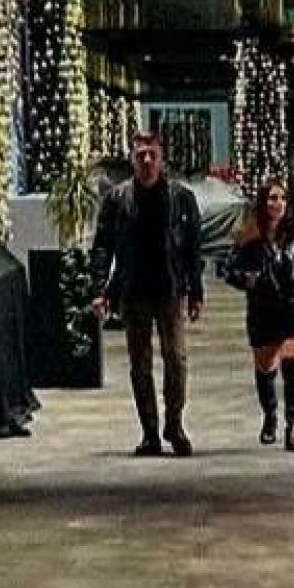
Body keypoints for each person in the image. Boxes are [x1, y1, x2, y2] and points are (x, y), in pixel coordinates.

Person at [89, 130, 207, 456]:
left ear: (160, 156)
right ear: (132, 159)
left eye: (152, 154)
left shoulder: (181, 197)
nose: (147, 160)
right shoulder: (117, 199)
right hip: (133, 290)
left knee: (176, 359)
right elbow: (103, 245)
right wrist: (100, 288)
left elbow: (193, 248)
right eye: (140, 155)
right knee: (139, 364)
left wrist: (196, 291)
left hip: (170, 288)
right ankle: (150, 432)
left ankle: (174, 424)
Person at [225, 174, 294, 450]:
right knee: (266, 367)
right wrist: (250, 279)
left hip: (293, 304)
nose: (277, 204)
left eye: (282, 198)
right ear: (262, 202)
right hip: (263, 308)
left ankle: (293, 426)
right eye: (272, 198)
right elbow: (229, 269)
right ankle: (270, 415)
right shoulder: (249, 234)